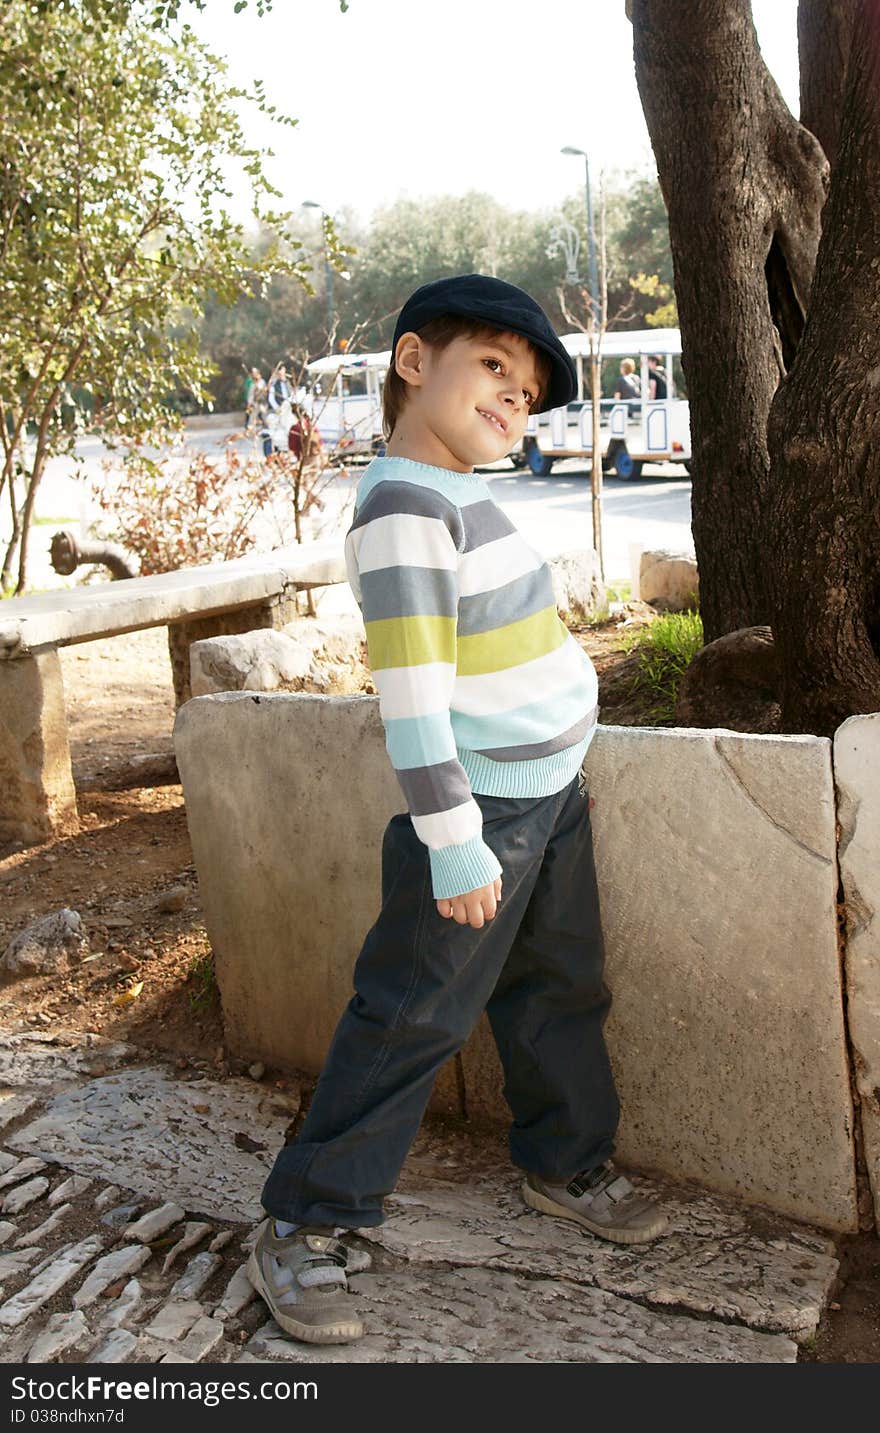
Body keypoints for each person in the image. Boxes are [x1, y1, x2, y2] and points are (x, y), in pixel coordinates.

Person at [247, 274, 667, 1346]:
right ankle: (307, 1220)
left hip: (547, 795)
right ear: (411, 362)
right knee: (411, 1012)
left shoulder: (455, 493)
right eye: (493, 369)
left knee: (557, 985)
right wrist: (453, 842)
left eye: (526, 394)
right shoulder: (399, 508)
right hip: (478, 812)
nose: (512, 402)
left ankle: (564, 1161)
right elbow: (414, 700)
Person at [244, 366, 266, 432]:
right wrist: (249, 403)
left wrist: (263, 391)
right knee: (251, 415)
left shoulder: (262, 382)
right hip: (253, 402)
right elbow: (249, 393)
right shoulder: (250, 382)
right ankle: (249, 427)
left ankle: (263, 426)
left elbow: (265, 391)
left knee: (262, 413)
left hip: (261, 401)